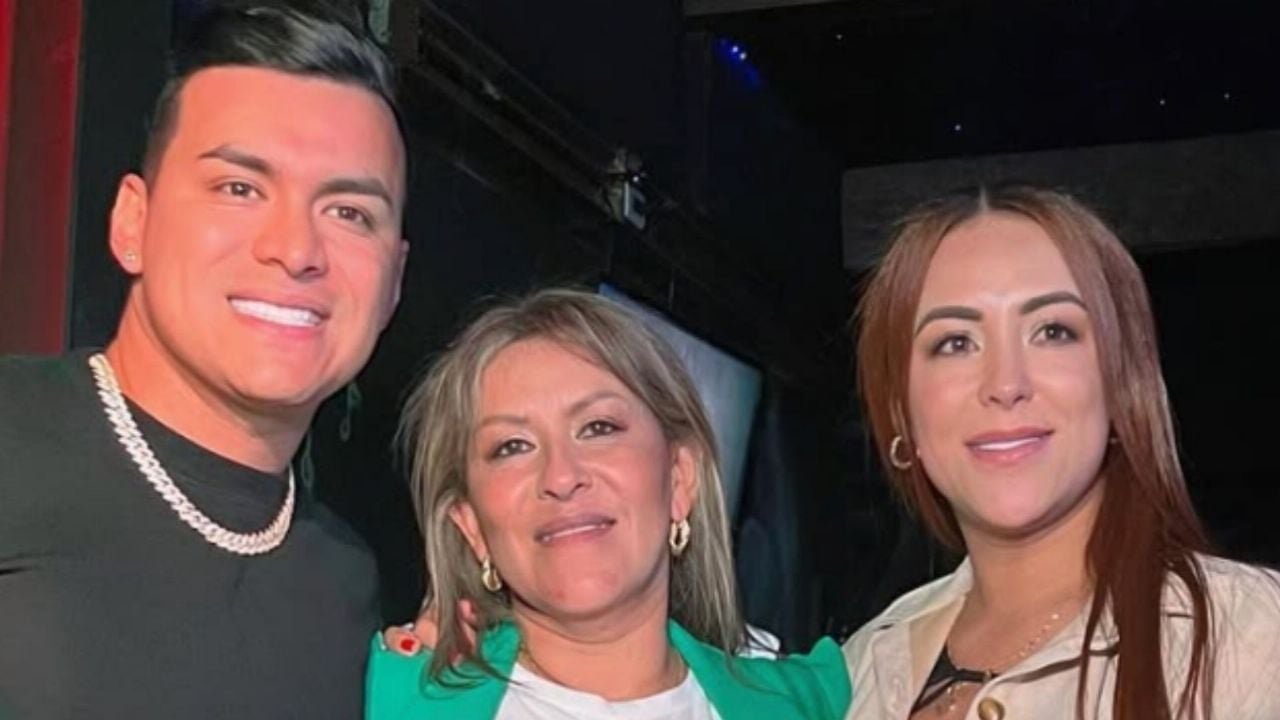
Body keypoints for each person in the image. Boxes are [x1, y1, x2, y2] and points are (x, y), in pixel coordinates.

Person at [0, 3, 409, 717]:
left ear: (394, 284)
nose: (295, 250)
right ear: (133, 222)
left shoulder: (345, 582)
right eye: (239, 188)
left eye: (349, 213)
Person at [842, 185, 1280, 719]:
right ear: (900, 408)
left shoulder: (1254, 639)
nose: (1006, 384)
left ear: (1120, 383)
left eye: (1052, 332)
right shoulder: (860, 668)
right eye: (955, 342)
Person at [366, 289, 851, 719]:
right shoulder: (392, 700)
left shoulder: (816, 702)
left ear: (679, 479)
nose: (561, 477)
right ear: (471, 526)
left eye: (598, 428)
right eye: (513, 446)